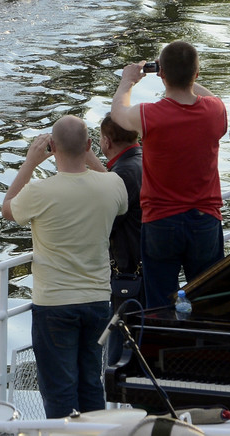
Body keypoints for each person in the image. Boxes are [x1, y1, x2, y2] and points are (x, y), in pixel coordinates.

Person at [1, 116, 128, 419]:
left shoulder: (39, 192)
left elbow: (7, 208)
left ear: (52, 148)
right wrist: (87, 153)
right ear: (88, 145)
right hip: (97, 300)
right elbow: (119, 197)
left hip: (54, 304)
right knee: (90, 385)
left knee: (60, 391)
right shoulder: (112, 185)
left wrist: (31, 163)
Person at [111, 42, 227, 309]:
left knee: (160, 306)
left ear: (161, 74)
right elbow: (213, 98)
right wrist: (182, 75)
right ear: (196, 74)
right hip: (205, 220)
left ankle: (161, 349)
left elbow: (118, 114)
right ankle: (203, 349)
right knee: (207, 300)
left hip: (161, 222)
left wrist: (128, 82)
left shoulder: (149, 114)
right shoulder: (215, 111)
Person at [85, 113, 143, 364]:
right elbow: (116, 184)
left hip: (128, 271)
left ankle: (119, 389)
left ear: (107, 141)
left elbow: (106, 219)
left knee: (121, 340)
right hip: (147, 263)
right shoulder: (142, 161)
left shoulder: (125, 173)